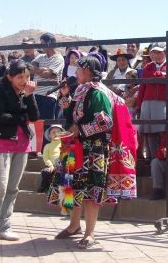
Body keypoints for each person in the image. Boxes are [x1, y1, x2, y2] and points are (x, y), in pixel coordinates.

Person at [48, 56, 137, 249]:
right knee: (72, 187)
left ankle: (90, 233)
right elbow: (72, 114)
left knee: (90, 191)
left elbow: (105, 122)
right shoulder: (81, 89)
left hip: (93, 149)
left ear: (87, 70)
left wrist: (80, 130)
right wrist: (64, 96)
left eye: (78, 69)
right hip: (75, 146)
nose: (76, 73)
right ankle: (73, 226)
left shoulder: (97, 92)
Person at [0, 60, 39, 241]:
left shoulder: (26, 93)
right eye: (20, 77)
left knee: (13, 187)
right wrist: (21, 115)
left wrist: (29, 96)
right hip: (1, 142)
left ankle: (4, 227)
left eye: (27, 77)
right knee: (0, 187)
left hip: (22, 144)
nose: (24, 80)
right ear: (9, 77)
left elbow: (35, 117)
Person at [137, 42, 168, 160]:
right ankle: (152, 160)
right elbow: (144, 82)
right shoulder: (147, 66)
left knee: (164, 132)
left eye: (160, 52)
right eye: (154, 52)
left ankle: (163, 158)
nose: (157, 55)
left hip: (163, 102)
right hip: (147, 103)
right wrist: (139, 105)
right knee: (150, 133)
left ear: (165, 52)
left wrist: (155, 76)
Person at [31, 32, 65, 120]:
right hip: (35, 94)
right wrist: (43, 69)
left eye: (42, 43)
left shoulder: (59, 58)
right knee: (34, 123)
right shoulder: (40, 56)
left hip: (48, 95)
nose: (41, 46)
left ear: (49, 42)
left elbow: (47, 74)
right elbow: (30, 68)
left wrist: (38, 70)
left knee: (45, 124)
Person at [37, 124, 63, 193]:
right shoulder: (47, 146)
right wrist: (51, 165)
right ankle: (44, 186)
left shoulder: (65, 145)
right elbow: (46, 157)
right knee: (45, 172)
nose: (56, 134)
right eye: (53, 132)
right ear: (49, 135)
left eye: (58, 132)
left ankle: (57, 188)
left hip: (62, 166)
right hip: (51, 165)